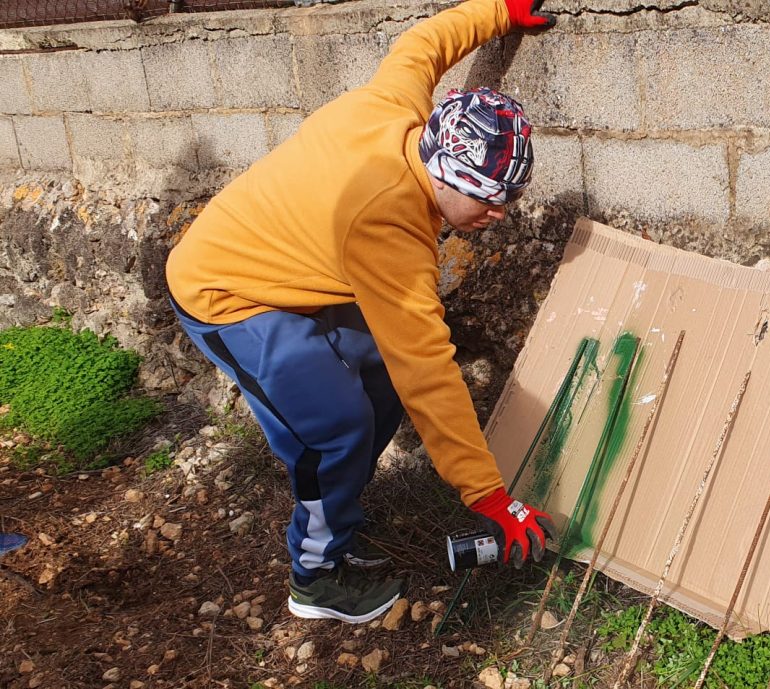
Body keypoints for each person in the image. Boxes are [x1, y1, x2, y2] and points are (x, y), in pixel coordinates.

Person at [164, 0, 557, 623]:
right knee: (335, 427)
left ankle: (337, 505)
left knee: (377, 375)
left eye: (509, 196)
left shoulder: (399, 110)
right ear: (444, 176)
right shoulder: (389, 231)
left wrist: (499, 10)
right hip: (225, 292)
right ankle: (316, 576)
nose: (499, 213)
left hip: (286, 274)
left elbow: (422, 45)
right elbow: (427, 367)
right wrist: (489, 495)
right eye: (486, 198)